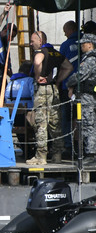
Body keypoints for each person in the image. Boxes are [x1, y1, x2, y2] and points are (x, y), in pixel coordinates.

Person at [26, 31, 73, 165]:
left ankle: (41, 156)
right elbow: (68, 67)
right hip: (54, 90)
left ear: (40, 41)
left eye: (32, 40)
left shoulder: (40, 51)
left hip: (42, 89)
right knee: (55, 123)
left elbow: (37, 61)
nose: (30, 44)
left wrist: (37, 76)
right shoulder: (55, 53)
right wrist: (58, 80)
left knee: (41, 122)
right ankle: (57, 154)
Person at [67, 33, 96, 165]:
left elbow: (80, 75)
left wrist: (69, 83)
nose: (81, 46)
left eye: (84, 44)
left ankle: (90, 154)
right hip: (88, 96)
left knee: (88, 125)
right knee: (88, 124)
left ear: (90, 44)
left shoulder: (90, 60)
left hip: (88, 97)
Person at [59, 20, 80, 155]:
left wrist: (59, 82)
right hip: (85, 88)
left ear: (70, 30)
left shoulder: (66, 45)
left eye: (65, 31)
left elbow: (61, 65)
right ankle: (81, 145)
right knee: (80, 117)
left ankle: (68, 145)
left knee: (67, 116)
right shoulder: (86, 43)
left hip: (68, 87)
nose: (64, 34)